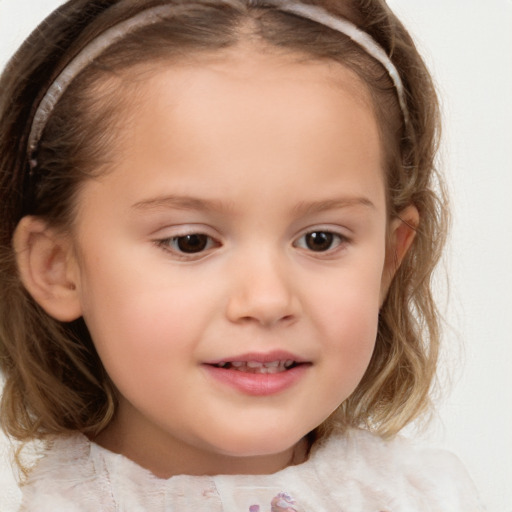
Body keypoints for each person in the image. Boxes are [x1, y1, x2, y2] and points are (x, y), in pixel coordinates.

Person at [0, 0, 484, 510]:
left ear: (389, 259)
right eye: (191, 241)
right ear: (58, 266)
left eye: (320, 239)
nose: (267, 299)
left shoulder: (430, 498)